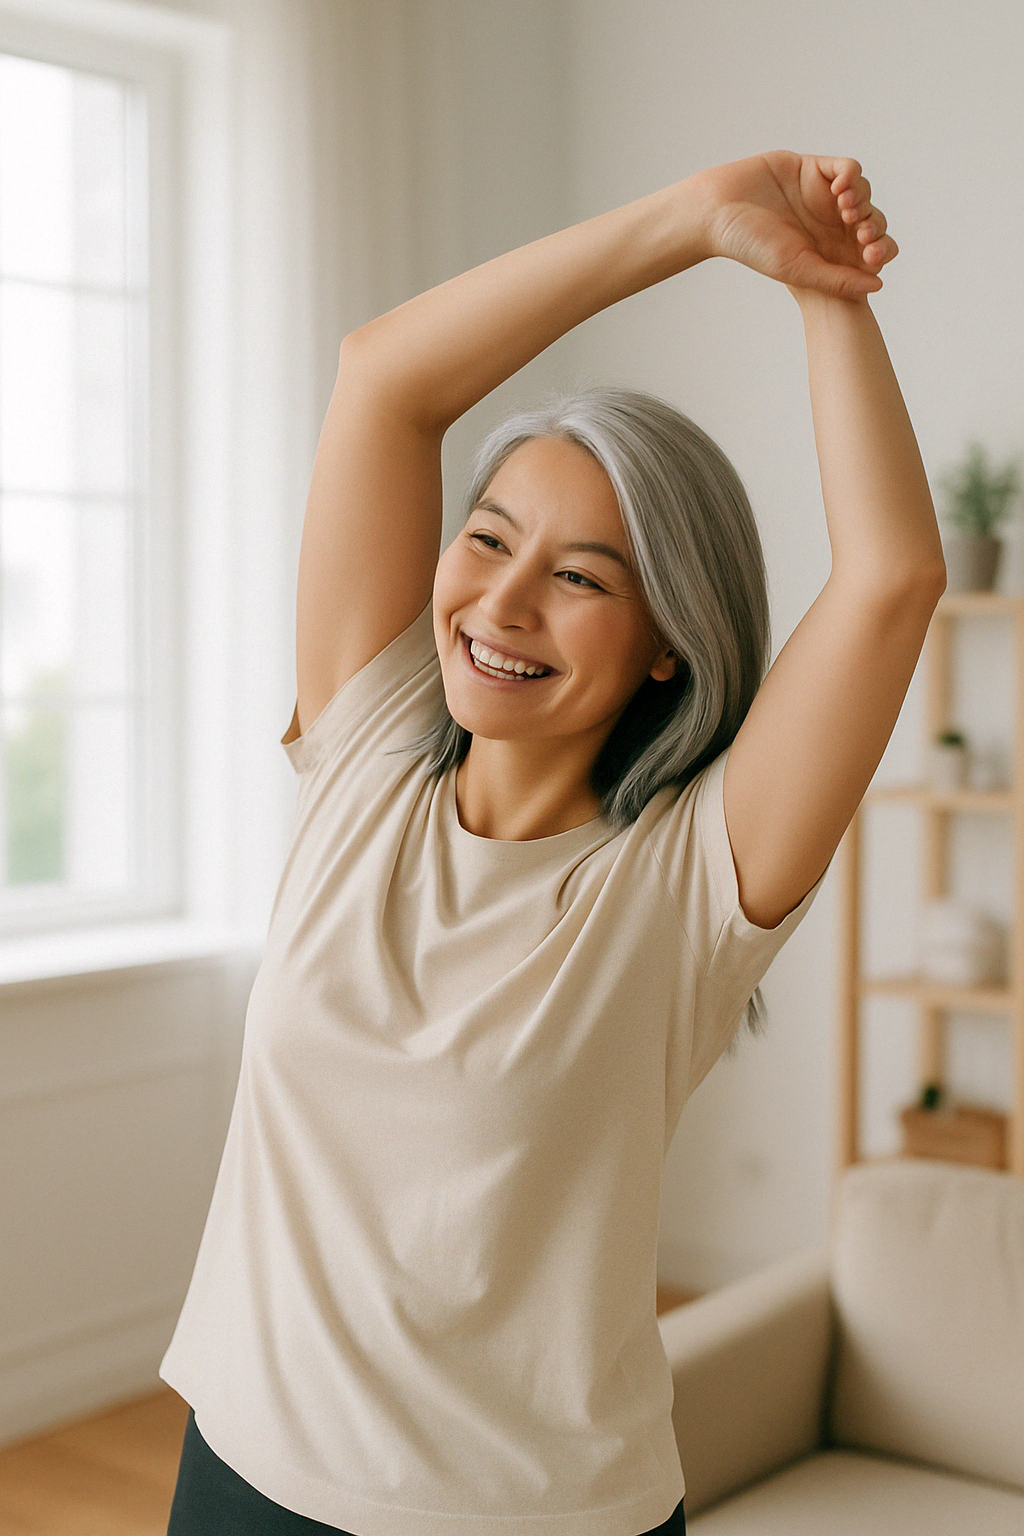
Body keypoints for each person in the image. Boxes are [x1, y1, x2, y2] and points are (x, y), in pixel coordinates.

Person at [161, 150, 944, 1535]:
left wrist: (824, 288)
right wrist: (695, 221)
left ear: (663, 647)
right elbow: (382, 379)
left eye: (581, 577)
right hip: (245, 1477)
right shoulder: (369, 744)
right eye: (490, 539)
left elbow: (890, 579)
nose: (500, 604)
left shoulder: (687, 883)